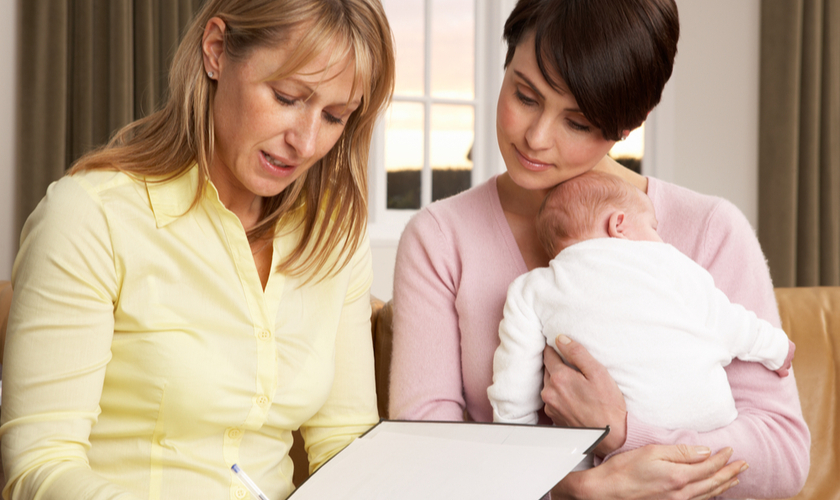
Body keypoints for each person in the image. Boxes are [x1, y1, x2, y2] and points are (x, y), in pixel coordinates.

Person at [389, 0, 810, 498]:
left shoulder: (710, 230)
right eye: (525, 96)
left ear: (629, 124)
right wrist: (570, 490)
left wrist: (626, 433)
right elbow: (423, 461)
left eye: (578, 123)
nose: (537, 137)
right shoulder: (441, 239)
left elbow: (782, 456)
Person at [0, 1, 394, 499]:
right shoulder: (91, 217)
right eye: (287, 97)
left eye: (336, 116)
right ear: (216, 50)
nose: (308, 142)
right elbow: (39, 465)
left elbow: (345, 445)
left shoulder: (334, 233)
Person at [488, 170, 795, 438]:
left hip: (595, 432)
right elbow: (725, 321)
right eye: (652, 226)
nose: (657, 237)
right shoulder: (667, 260)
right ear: (619, 224)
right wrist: (776, 349)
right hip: (709, 419)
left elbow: (513, 379)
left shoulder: (532, 288)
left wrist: (516, 434)